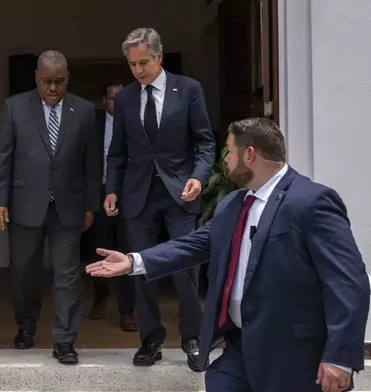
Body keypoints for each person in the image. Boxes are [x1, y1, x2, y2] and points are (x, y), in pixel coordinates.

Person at [87, 117, 370, 391]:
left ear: (249, 155)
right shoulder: (234, 203)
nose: (224, 160)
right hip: (237, 352)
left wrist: (339, 357)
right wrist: (134, 261)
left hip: (292, 356)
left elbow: (348, 282)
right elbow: (194, 245)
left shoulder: (312, 201)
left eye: (229, 152)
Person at [104, 27, 216, 366]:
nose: (138, 71)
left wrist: (198, 178)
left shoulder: (189, 89)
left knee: (185, 267)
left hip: (179, 193)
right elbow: (117, 152)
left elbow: (205, 142)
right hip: (137, 195)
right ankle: (150, 338)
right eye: (132, 64)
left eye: (144, 63)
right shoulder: (124, 98)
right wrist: (111, 189)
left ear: (159, 57)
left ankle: (193, 338)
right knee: (139, 269)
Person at [0, 50, 101, 364]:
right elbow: (3, 157)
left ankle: (65, 340)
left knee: (67, 275)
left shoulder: (85, 110)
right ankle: (25, 327)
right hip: (25, 203)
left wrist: (91, 204)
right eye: (47, 81)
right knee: (24, 273)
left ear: (68, 78)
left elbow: (91, 163)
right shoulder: (15, 107)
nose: (53, 88)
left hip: (69, 205)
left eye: (59, 81)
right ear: (36, 78)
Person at [80, 80, 137, 331]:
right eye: (113, 98)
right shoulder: (94, 124)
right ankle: (100, 298)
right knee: (99, 249)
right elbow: (85, 164)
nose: (118, 102)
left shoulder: (136, 120)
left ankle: (127, 311)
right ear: (104, 100)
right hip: (101, 192)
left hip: (130, 195)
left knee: (128, 251)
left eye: (122, 97)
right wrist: (89, 202)